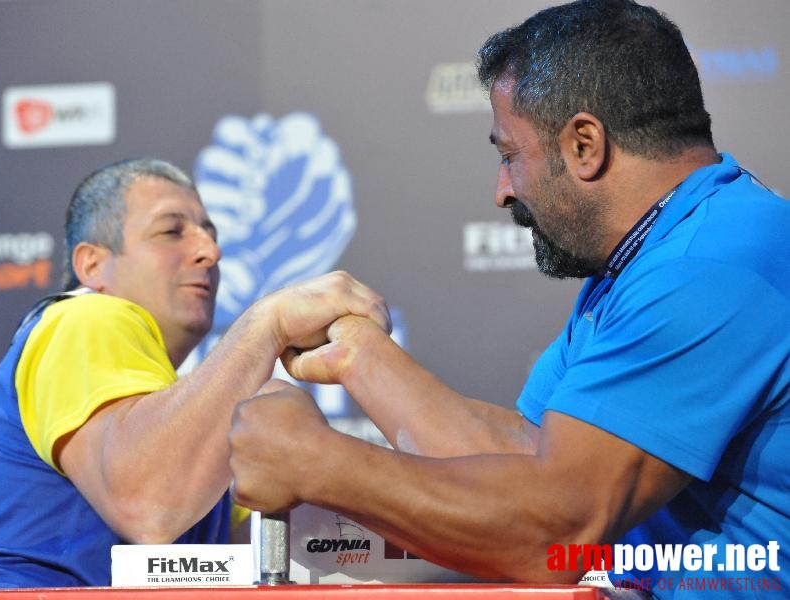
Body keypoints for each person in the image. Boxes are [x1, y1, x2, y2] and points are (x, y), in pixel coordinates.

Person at [228, 0, 790, 596]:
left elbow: (558, 531)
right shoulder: (658, 250)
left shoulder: (704, 267)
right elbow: (528, 460)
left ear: (584, 145)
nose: (502, 192)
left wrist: (321, 464)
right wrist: (358, 355)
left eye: (509, 155)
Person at [0, 158, 390, 594]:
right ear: (92, 265)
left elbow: (280, 553)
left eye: (211, 236)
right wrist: (267, 323)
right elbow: (149, 504)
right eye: (171, 231)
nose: (210, 252)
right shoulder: (83, 318)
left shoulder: (178, 420)